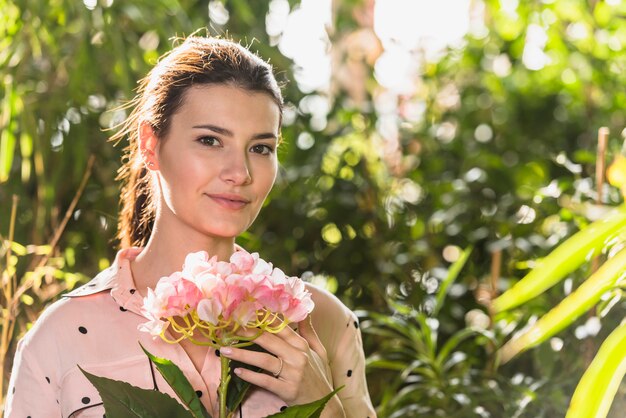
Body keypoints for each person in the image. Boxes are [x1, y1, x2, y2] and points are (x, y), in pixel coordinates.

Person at [5, 35, 376, 418]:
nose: (240, 173)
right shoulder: (61, 337)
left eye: (261, 147)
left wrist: (324, 406)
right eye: (210, 140)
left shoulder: (323, 322)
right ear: (150, 144)